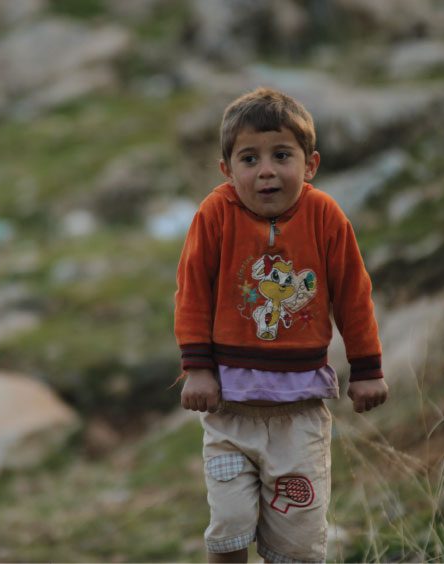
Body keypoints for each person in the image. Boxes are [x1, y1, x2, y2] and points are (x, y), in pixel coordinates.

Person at [174, 87, 388, 563]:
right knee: (228, 527)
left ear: (310, 164)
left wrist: (367, 368)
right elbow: (192, 291)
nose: (266, 170)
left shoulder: (325, 217)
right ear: (227, 171)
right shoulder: (216, 214)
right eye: (249, 158)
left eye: (281, 155)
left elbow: (354, 295)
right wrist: (198, 368)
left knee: (297, 543)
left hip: (300, 415)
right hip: (230, 409)